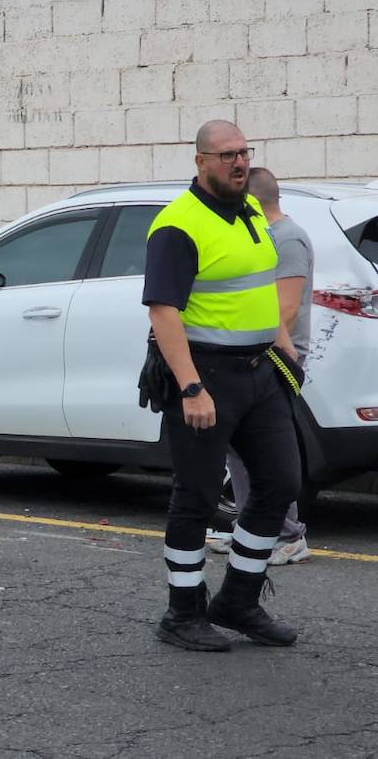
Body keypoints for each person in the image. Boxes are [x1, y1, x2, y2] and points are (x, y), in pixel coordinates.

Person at [142, 120, 302, 652]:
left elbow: (258, 286)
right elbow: (164, 311)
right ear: (201, 161)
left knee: (280, 482)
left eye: (244, 152)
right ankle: (182, 612)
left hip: (259, 372)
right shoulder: (177, 225)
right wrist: (190, 388)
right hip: (204, 374)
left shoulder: (250, 208)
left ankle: (237, 601)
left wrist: (283, 344)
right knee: (198, 495)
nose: (239, 162)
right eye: (227, 155)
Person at [215, 168, 315, 565]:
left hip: (276, 355)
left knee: (264, 451)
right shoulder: (262, 236)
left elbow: (285, 309)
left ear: (250, 201)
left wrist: (260, 351)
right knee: (239, 450)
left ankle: (288, 536)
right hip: (254, 353)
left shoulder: (287, 239)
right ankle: (252, 530)